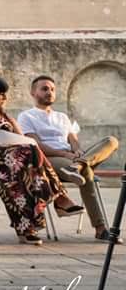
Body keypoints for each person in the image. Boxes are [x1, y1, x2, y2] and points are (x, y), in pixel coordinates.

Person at [0, 75, 83, 245]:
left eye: (5, 94)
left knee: (25, 167)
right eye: (0, 94)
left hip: (12, 160)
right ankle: (58, 198)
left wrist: (16, 140)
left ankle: (27, 228)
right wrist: (9, 137)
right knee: (19, 168)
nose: (4, 98)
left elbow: (24, 139)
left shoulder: (6, 116)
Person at [17, 74, 120, 243]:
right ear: (33, 93)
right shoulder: (27, 116)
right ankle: (101, 229)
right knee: (87, 173)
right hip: (50, 159)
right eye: (44, 89)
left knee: (111, 141)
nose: (49, 92)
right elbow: (36, 145)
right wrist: (65, 154)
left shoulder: (62, 117)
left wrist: (78, 151)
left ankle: (78, 166)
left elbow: (73, 140)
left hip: (72, 160)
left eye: (52, 89)